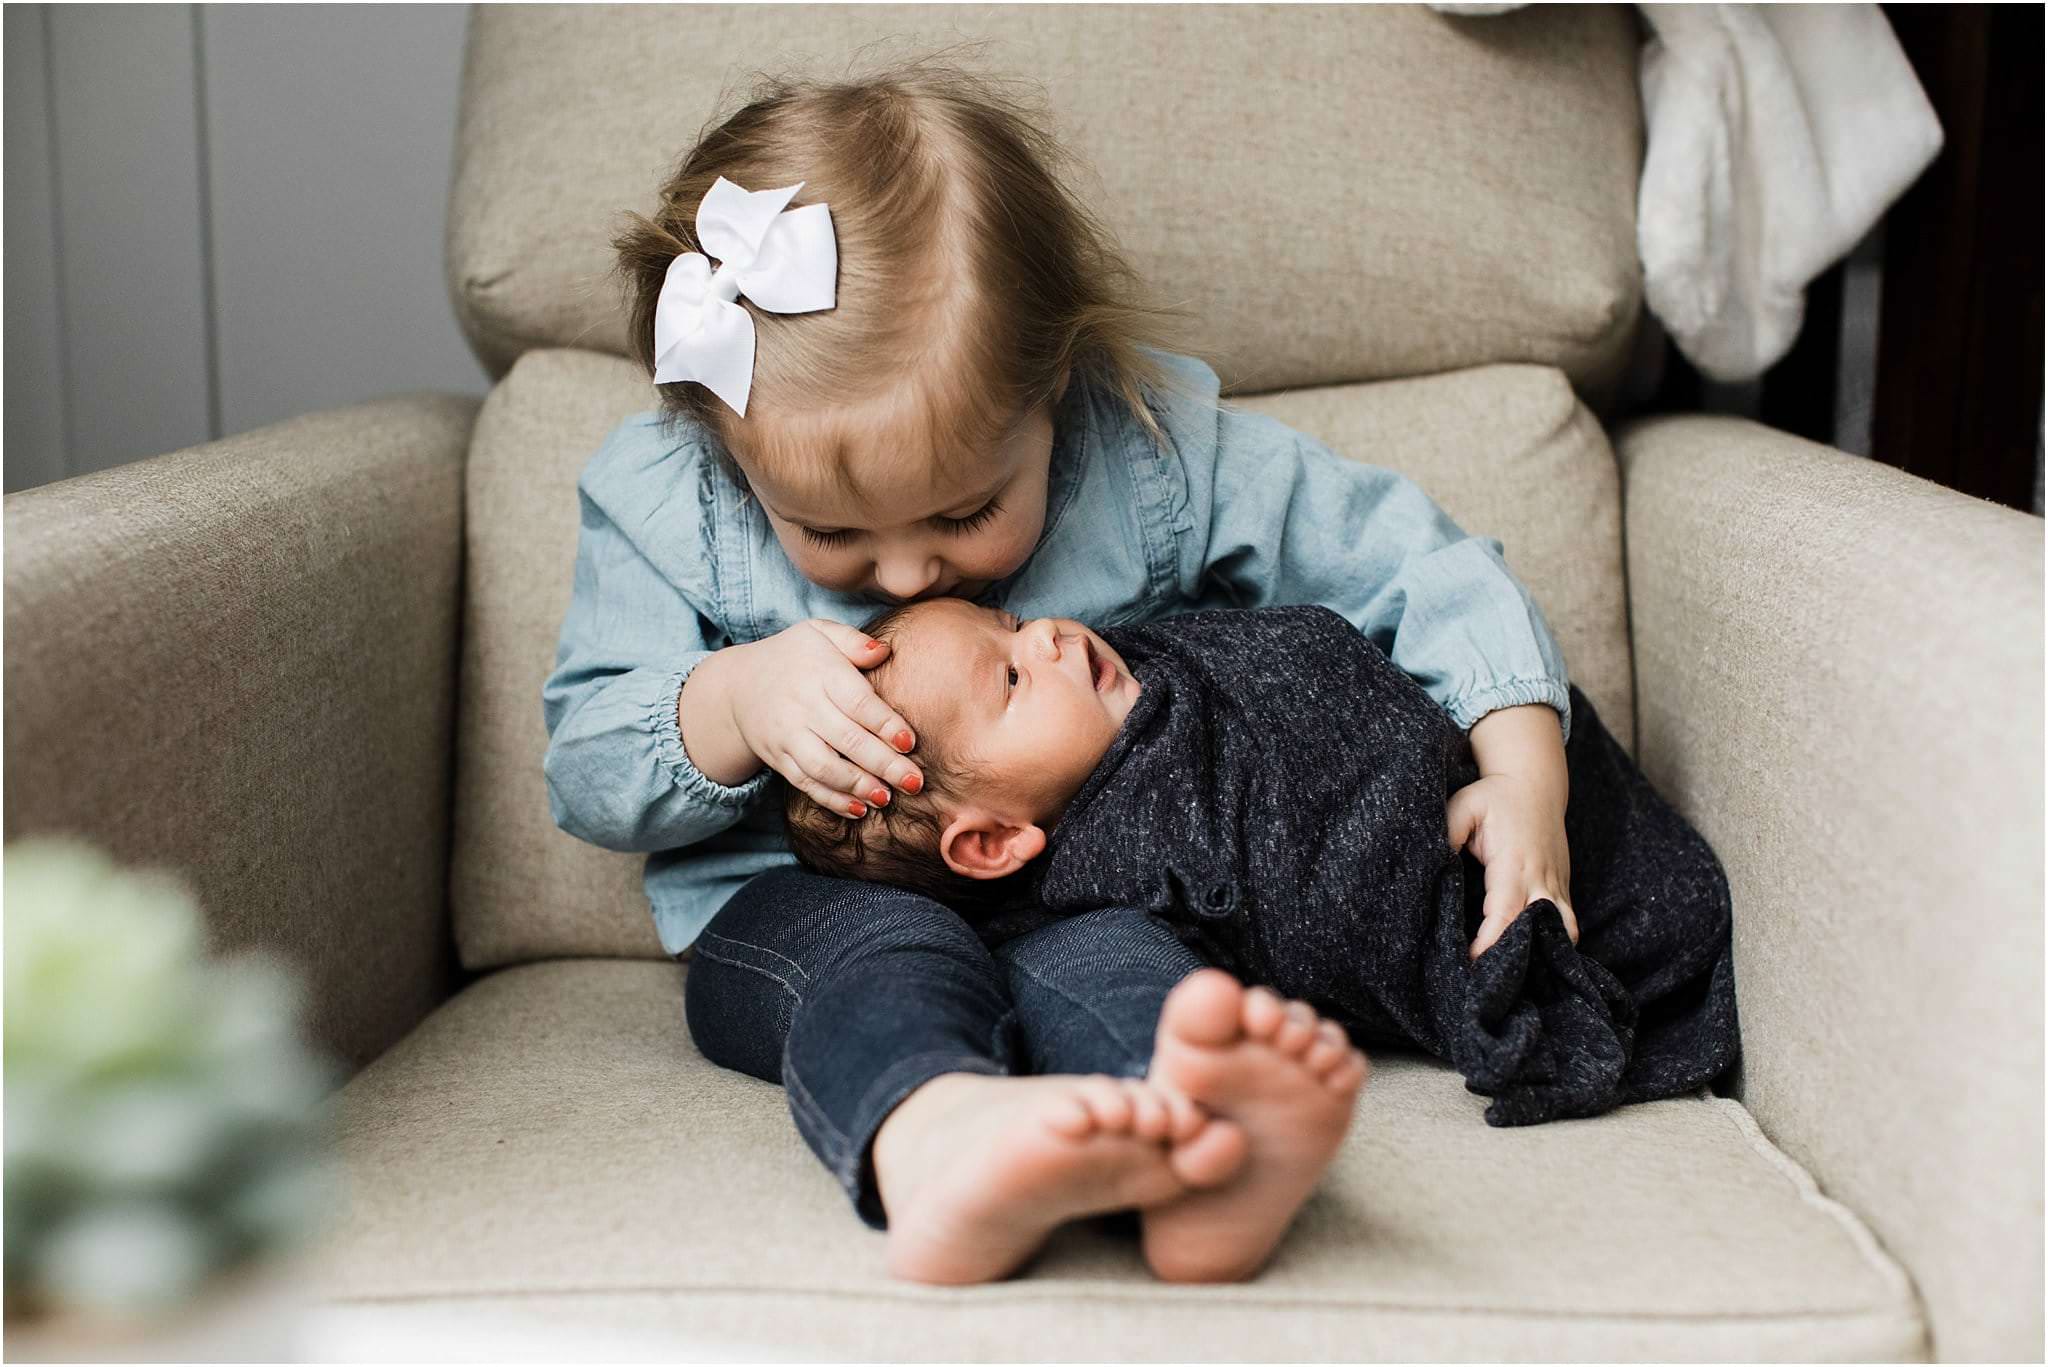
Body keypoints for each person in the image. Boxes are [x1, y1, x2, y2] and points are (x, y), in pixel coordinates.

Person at [541, 61, 1578, 1286]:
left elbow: (1411, 562)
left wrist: (1523, 769)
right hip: (791, 896)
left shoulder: (1145, 453)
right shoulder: (672, 504)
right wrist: (732, 699)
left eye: (967, 508)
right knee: (866, 955)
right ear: (729, 455)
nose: (910, 572)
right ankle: (938, 1139)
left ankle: (1199, 1153)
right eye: (829, 534)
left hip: (1094, 885)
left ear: (1051, 391)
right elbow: (589, 770)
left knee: (1129, 967)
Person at [782, 598, 1739, 1128]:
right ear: (991, 842)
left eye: (1012, 620)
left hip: (1520, 775)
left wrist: (1495, 769)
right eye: (1013, 677)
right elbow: (1322, 899)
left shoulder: (1160, 652)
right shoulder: (1114, 871)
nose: (1050, 636)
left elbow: (1314, 651)